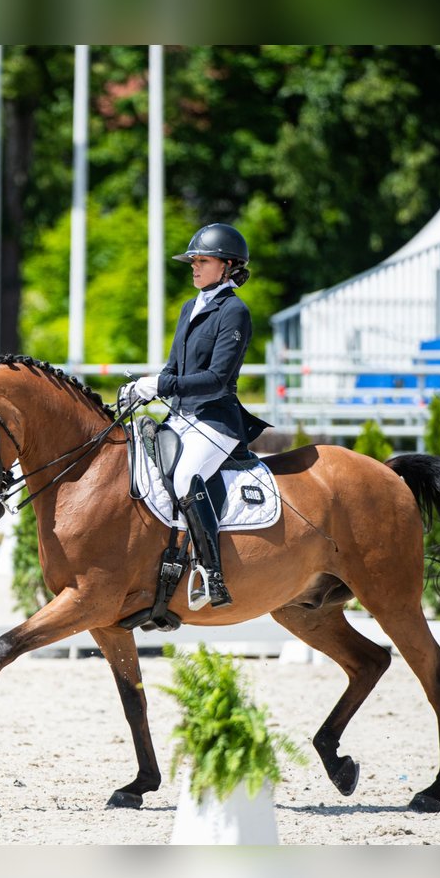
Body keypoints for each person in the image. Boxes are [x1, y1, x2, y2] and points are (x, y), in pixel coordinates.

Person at [130, 222, 265, 609]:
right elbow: (174, 368)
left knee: (187, 477)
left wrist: (162, 386)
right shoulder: (191, 307)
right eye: (193, 260)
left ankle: (212, 573)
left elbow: (217, 379)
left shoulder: (234, 312)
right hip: (183, 417)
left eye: (202, 260)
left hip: (216, 420)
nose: (194, 266)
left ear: (226, 266)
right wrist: (144, 386)